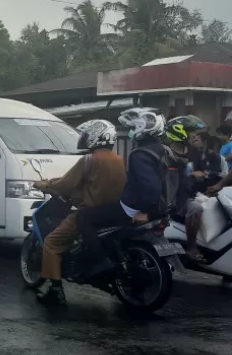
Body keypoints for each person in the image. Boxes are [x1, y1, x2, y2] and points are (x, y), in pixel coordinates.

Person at [32, 119, 126, 306]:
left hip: (88, 213)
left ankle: (55, 290)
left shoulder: (89, 159)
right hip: (112, 213)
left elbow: (66, 184)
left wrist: (46, 185)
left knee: (51, 242)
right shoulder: (119, 159)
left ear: (95, 137)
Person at [76, 108, 167, 266]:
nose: (130, 132)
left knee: (83, 217)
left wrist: (144, 212)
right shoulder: (163, 150)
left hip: (134, 208)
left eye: (132, 128)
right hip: (162, 207)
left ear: (141, 129)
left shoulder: (140, 154)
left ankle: (99, 260)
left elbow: (150, 187)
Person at [164, 115, 210, 263]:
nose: (195, 136)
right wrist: (191, 175)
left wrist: (201, 175)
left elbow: (203, 172)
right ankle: (192, 247)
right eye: (192, 132)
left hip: (191, 194)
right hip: (174, 200)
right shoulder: (166, 154)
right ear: (180, 132)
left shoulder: (194, 152)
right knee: (196, 209)